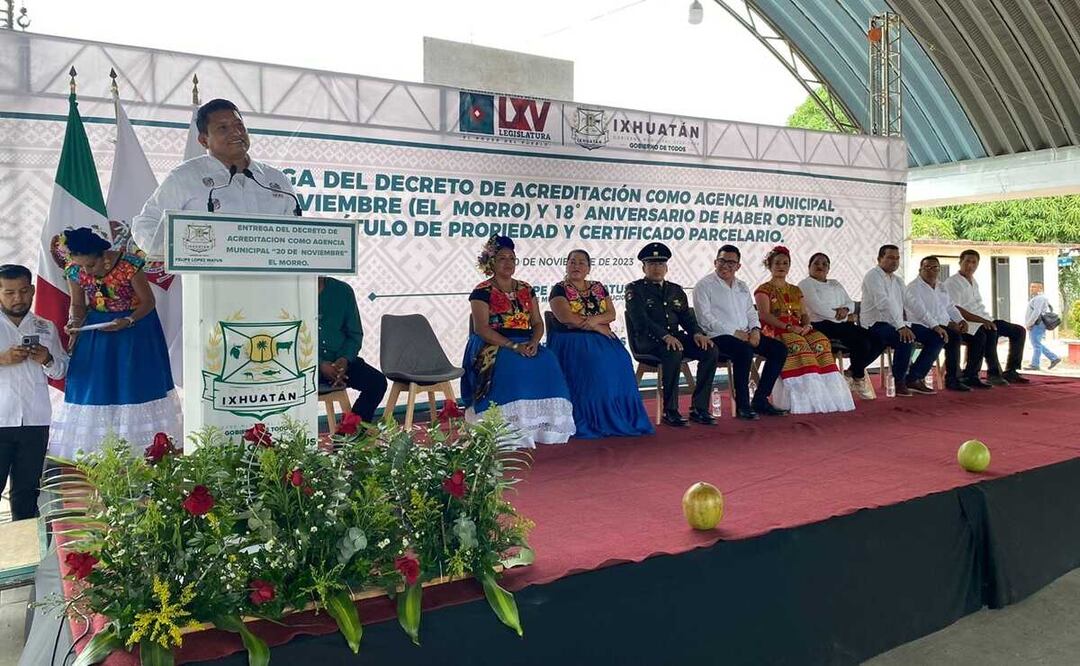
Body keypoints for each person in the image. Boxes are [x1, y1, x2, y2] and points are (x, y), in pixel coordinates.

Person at [49, 228, 181, 459]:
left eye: (90, 265)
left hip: (135, 329)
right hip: (97, 331)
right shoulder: (75, 270)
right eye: (81, 266)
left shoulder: (129, 264)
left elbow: (148, 302)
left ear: (103, 255)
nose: (86, 271)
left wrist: (128, 320)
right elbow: (78, 304)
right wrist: (74, 321)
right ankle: (100, 454)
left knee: (132, 385)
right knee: (95, 386)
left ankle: (142, 451)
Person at [132, 98, 298, 258]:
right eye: (223, 128)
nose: (236, 132)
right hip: (208, 283)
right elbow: (146, 224)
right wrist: (182, 253)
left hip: (276, 283)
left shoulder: (275, 179)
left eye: (239, 125)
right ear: (204, 140)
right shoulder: (185, 176)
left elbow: (297, 233)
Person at [461, 236, 575, 448]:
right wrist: (513, 346)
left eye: (512, 258)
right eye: (502, 258)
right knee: (511, 363)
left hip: (524, 339)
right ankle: (507, 428)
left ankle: (542, 428)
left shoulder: (526, 288)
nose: (508, 263)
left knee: (547, 359)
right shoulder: (482, 291)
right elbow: (481, 328)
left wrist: (533, 342)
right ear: (491, 262)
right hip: (492, 343)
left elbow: (538, 322)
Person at [548, 250, 653, 438]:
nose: (576, 266)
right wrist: (597, 326)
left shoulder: (598, 287)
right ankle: (594, 418)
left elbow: (611, 314)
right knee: (595, 363)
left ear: (588, 268)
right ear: (566, 265)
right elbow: (566, 318)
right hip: (571, 339)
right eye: (572, 262)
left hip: (602, 337)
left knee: (621, 358)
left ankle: (621, 415)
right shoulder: (559, 289)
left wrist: (595, 323)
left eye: (581, 263)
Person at [626, 242, 720, 426]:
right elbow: (641, 320)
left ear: (666, 267)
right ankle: (671, 411)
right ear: (643, 267)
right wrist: (665, 336)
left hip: (675, 338)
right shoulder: (635, 289)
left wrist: (698, 333)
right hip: (649, 341)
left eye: (660, 264)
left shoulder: (675, 290)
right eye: (651, 264)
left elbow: (687, 318)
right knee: (672, 351)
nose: (656, 268)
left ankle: (699, 408)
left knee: (710, 350)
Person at [0, 265, 68, 520]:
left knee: (27, 493)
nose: (17, 298)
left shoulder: (45, 327)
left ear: (32, 291)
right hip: (1, 418)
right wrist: (2, 359)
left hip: (35, 421)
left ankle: (26, 556)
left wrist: (47, 359)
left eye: (23, 291)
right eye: (9, 293)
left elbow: (61, 371)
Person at [752, 246, 854, 414]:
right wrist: (789, 327)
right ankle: (800, 400)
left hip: (797, 328)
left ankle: (824, 397)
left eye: (785, 263)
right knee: (798, 344)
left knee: (820, 340)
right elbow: (764, 315)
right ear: (769, 265)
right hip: (776, 330)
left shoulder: (795, 290)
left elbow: (804, 314)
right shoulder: (764, 289)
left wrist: (806, 325)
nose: (781, 266)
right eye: (777, 263)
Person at [694, 244, 788, 419]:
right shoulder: (704, 285)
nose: (725, 266)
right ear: (715, 262)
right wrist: (735, 333)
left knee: (779, 349)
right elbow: (705, 319)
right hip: (717, 336)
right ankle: (743, 405)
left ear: (738, 266)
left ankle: (760, 399)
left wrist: (755, 330)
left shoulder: (742, 286)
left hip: (746, 334)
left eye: (731, 263)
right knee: (743, 350)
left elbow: (751, 312)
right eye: (722, 261)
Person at [861, 244, 944, 396]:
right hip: (875, 324)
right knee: (905, 338)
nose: (895, 261)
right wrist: (900, 327)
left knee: (936, 337)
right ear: (879, 259)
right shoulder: (873, 276)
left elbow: (913, 304)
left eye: (897, 258)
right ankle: (899, 382)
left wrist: (935, 325)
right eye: (890, 258)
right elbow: (883, 304)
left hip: (897, 323)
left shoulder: (898, 280)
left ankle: (914, 378)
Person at [798, 252, 882, 400]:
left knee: (878, 339)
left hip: (841, 324)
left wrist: (846, 310)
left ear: (829, 268)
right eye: (816, 263)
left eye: (824, 264)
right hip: (821, 325)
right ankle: (858, 377)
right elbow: (817, 306)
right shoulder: (805, 284)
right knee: (861, 342)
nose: (820, 266)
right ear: (809, 267)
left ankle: (851, 373)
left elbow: (849, 302)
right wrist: (839, 314)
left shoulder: (835, 283)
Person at [944, 249, 1030, 385]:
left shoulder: (974, 281)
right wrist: (982, 321)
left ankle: (1011, 371)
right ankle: (989, 373)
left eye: (974, 262)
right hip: (967, 323)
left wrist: (986, 320)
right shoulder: (952, 282)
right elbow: (955, 308)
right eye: (967, 261)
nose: (970, 265)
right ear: (960, 262)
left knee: (1019, 331)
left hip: (984, 319)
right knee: (989, 332)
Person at [904, 256, 983, 392]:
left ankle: (966, 377)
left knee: (975, 335)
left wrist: (960, 320)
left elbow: (950, 307)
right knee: (946, 337)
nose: (931, 271)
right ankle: (916, 377)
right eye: (927, 267)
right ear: (920, 269)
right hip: (918, 325)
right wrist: (941, 325)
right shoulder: (913, 287)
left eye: (935, 268)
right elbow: (921, 312)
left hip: (941, 324)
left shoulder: (940, 286)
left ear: (939, 270)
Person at [317, 276, 388, 422]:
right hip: (302, 368)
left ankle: (349, 437)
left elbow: (354, 334)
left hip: (340, 363)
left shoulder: (343, 291)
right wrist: (319, 364)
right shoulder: (288, 291)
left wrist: (344, 360)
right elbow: (287, 338)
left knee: (377, 383)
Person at [1024, 282, 1062, 371]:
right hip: (1038, 323)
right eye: (1031, 287)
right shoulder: (1038, 298)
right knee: (1037, 343)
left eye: (1034, 287)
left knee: (1036, 344)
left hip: (1037, 324)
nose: (1031, 289)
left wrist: (1029, 324)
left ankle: (1035, 364)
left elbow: (1036, 312)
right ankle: (1054, 358)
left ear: (1040, 288)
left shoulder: (1040, 298)